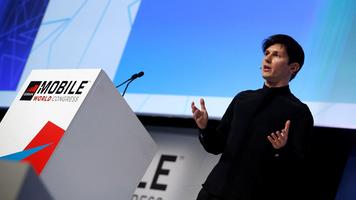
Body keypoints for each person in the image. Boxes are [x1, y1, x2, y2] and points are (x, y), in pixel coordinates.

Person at [191, 34, 314, 200]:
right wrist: (204, 127)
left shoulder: (299, 112)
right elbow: (215, 146)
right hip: (213, 192)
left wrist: (282, 150)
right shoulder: (243, 99)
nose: (267, 59)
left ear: (293, 67)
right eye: (267, 54)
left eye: (276, 55)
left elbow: (298, 168)